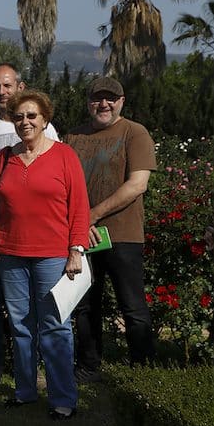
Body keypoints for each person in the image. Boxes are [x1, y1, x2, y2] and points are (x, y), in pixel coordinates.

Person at [0, 89, 89, 420]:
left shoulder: (64, 155)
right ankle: (25, 391)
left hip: (53, 256)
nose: (24, 122)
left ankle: (63, 398)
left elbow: (79, 207)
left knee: (55, 325)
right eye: (18, 116)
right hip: (10, 254)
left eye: (31, 116)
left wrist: (76, 249)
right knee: (21, 325)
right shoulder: (4, 157)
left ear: (44, 120)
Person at [0, 63, 59, 387]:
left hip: (37, 232)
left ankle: (39, 367)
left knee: (40, 303)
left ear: (20, 86)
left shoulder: (46, 128)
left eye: (6, 86)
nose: (1, 92)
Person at [66, 76, 157, 381]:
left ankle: (143, 370)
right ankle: (89, 367)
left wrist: (92, 215)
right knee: (85, 306)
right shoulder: (74, 136)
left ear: (121, 102)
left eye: (110, 98)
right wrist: (80, 223)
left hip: (123, 235)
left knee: (131, 306)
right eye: (96, 98)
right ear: (88, 102)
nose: (103, 104)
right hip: (82, 236)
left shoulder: (135, 133)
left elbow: (137, 184)